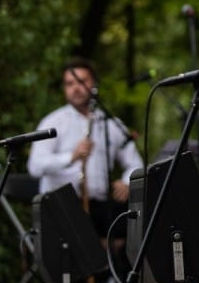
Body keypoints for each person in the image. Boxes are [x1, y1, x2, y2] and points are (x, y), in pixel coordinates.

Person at [27, 57, 144, 238]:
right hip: (62, 207)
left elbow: (135, 164)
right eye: (69, 83)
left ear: (94, 84)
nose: (75, 88)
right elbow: (35, 166)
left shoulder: (111, 123)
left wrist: (127, 182)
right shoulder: (53, 122)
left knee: (141, 225)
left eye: (82, 81)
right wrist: (71, 157)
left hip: (102, 207)